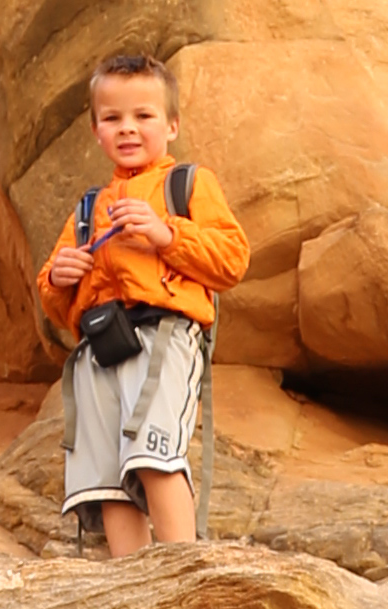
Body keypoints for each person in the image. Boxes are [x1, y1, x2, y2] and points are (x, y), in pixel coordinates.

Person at [36, 49, 248, 557]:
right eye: (113, 118)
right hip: (101, 346)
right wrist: (59, 281)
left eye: (144, 116)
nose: (128, 129)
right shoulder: (90, 206)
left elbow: (231, 258)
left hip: (164, 335)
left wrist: (165, 233)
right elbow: (55, 298)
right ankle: (131, 583)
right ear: (96, 130)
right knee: (108, 475)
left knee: (154, 452)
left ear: (171, 125)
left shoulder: (187, 185)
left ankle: (180, 569)